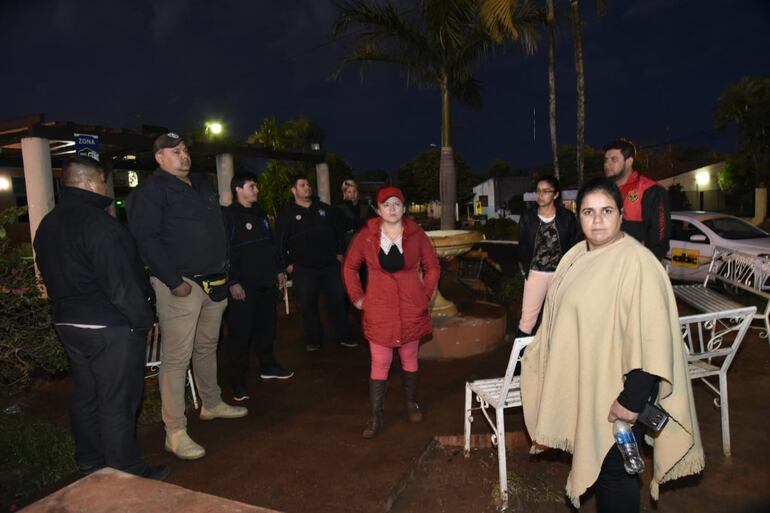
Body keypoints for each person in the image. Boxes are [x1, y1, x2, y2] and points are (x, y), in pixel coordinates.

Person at [520, 177, 704, 512]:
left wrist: (631, 402)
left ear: (621, 215)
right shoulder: (575, 256)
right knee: (609, 476)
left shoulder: (637, 262)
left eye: (606, 210)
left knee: (615, 478)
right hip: (590, 388)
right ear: (580, 218)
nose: (597, 219)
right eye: (588, 212)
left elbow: (652, 340)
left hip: (620, 397)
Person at [34, 156, 169, 480]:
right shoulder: (101, 225)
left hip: (68, 321)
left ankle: (90, 460)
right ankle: (126, 469)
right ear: (92, 181)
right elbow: (122, 284)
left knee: (87, 393)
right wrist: (142, 322)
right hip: (109, 325)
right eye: (102, 180)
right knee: (118, 399)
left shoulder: (48, 224)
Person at [127, 132, 247, 461]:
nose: (184, 155)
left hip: (214, 282)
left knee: (207, 347)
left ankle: (210, 403)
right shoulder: (151, 191)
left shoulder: (200, 183)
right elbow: (146, 238)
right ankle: (175, 432)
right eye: (175, 151)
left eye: (185, 150)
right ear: (160, 158)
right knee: (177, 358)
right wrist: (171, 280)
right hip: (181, 286)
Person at [342, 186, 440, 438]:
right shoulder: (366, 236)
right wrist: (357, 298)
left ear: (404, 208)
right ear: (378, 209)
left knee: (409, 358)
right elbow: (350, 267)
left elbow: (432, 268)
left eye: (397, 203)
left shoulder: (417, 235)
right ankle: (376, 416)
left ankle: (410, 402)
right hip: (380, 309)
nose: (392, 208)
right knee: (380, 362)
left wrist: (426, 296)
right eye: (386, 204)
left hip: (411, 308)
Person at [223, 172, 293, 402]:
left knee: (267, 328)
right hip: (243, 287)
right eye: (252, 186)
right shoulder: (229, 216)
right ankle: (238, 381)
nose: (257, 190)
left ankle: (268, 366)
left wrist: (279, 269)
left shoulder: (260, 213)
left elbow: (272, 245)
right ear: (238, 190)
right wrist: (233, 281)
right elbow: (226, 251)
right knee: (241, 334)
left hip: (266, 283)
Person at [276, 174, 355, 351]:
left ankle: (344, 336)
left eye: (308, 184)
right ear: (294, 190)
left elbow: (338, 232)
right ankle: (313, 340)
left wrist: (340, 253)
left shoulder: (325, 209)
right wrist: (287, 264)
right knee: (307, 306)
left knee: (338, 302)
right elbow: (279, 243)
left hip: (329, 266)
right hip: (303, 269)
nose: (307, 187)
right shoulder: (287, 214)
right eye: (303, 185)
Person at [516, 175, 578, 337]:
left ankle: (555, 358)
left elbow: (574, 246)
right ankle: (520, 361)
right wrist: (524, 271)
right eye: (538, 191)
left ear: (555, 194)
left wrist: (570, 273)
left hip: (560, 275)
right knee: (527, 321)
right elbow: (522, 246)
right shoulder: (528, 217)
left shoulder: (567, 218)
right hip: (535, 274)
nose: (540, 195)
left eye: (546, 191)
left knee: (559, 319)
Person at [603, 138, 671, 261]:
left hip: (637, 263)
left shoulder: (650, 189)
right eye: (606, 160)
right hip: (607, 262)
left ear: (629, 161)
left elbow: (660, 236)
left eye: (614, 159)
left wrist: (646, 265)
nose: (607, 164)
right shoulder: (604, 191)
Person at [336, 179, 373, 246]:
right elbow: (341, 228)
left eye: (354, 191)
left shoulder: (365, 207)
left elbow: (370, 224)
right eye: (349, 192)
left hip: (364, 244)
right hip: (347, 245)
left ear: (357, 192)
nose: (352, 194)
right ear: (345, 193)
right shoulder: (340, 208)